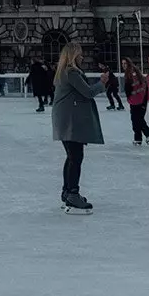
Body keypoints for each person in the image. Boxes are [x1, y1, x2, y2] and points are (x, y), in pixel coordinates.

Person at [52, 43, 104, 214]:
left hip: (65, 120)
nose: (82, 57)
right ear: (73, 56)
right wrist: (102, 83)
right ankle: (72, 193)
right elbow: (87, 92)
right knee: (76, 157)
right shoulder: (71, 72)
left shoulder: (62, 72)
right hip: (70, 122)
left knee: (72, 156)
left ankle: (67, 191)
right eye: (80, 54)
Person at [122, 58, 149, 146]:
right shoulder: (135, 72)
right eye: (123, 63)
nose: (123, 65)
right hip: (141, 98)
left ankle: (148, 135)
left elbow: (129, 88)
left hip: (137, 99)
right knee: (137, 118)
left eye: (125, 63)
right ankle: (138, 138)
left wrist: (130, 96)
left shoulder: (130, 74)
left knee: (137, 119)